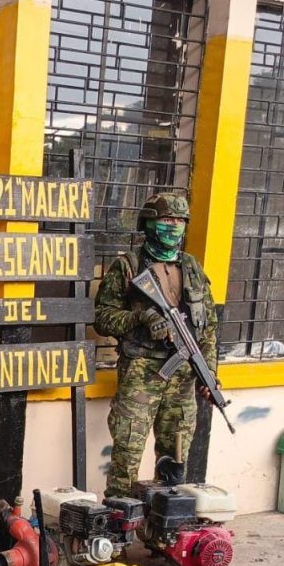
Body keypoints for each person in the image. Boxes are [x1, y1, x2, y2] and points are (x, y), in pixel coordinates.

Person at [94, 193, 218, 499]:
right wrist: (141, 317)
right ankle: (117, 536)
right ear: (148, 223)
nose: (173, 226)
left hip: (183, 376)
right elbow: (102, 318)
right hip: (141, 374)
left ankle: (163, 531)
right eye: (166, 220)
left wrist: (209, 375)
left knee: (175, 458)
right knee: (127, 453)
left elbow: (209, 327)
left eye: (179, 221)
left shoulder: (191, 267)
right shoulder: (128, 266)